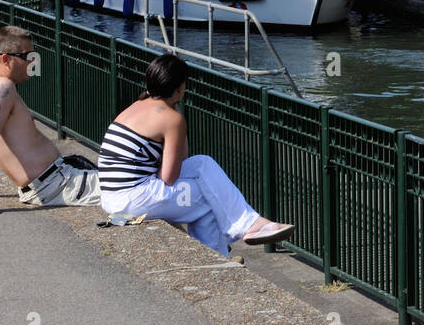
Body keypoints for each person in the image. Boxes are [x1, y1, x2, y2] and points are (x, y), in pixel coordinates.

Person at [97, 54, 294, 256]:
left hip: (114, 196)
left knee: (202, 165)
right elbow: (169, 177)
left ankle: (241, 234)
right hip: (131, 199)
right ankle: (238, 237)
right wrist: (178, 122)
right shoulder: (170, 118)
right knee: (208, 198)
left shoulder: (137, 105)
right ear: (180, 87)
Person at [0, 26, 100, 214]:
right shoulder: (3, 88)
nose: (32, 62)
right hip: (57, 184)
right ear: (6, 59)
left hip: (51, 181)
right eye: (27, 56)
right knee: (130, 185)